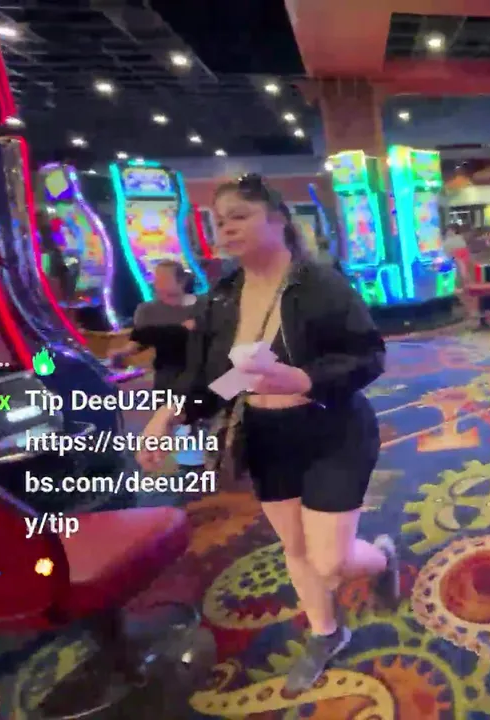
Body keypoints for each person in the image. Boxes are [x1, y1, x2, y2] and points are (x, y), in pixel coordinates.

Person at [136, 174, 398, 691]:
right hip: (266, 435)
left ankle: (383, 556)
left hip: (331, 429)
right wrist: (167, 414)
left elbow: (369, 356)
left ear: (278, 220)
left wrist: (303, 379)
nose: (226, 229)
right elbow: (221, 379)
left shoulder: (318, 284)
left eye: (240, 216)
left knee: (331, 560)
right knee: (295, 547)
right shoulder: (221, 298)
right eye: (219, 221)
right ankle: (326, 632)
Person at [108, 260, 197, 392]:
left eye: (163, 279)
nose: (157, 284)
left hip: (199, 375)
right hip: (167, 376)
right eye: (156, 279)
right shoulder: (147, 310)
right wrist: (120, 353)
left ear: (182, 282)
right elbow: (138, 342)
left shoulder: (202, 307)